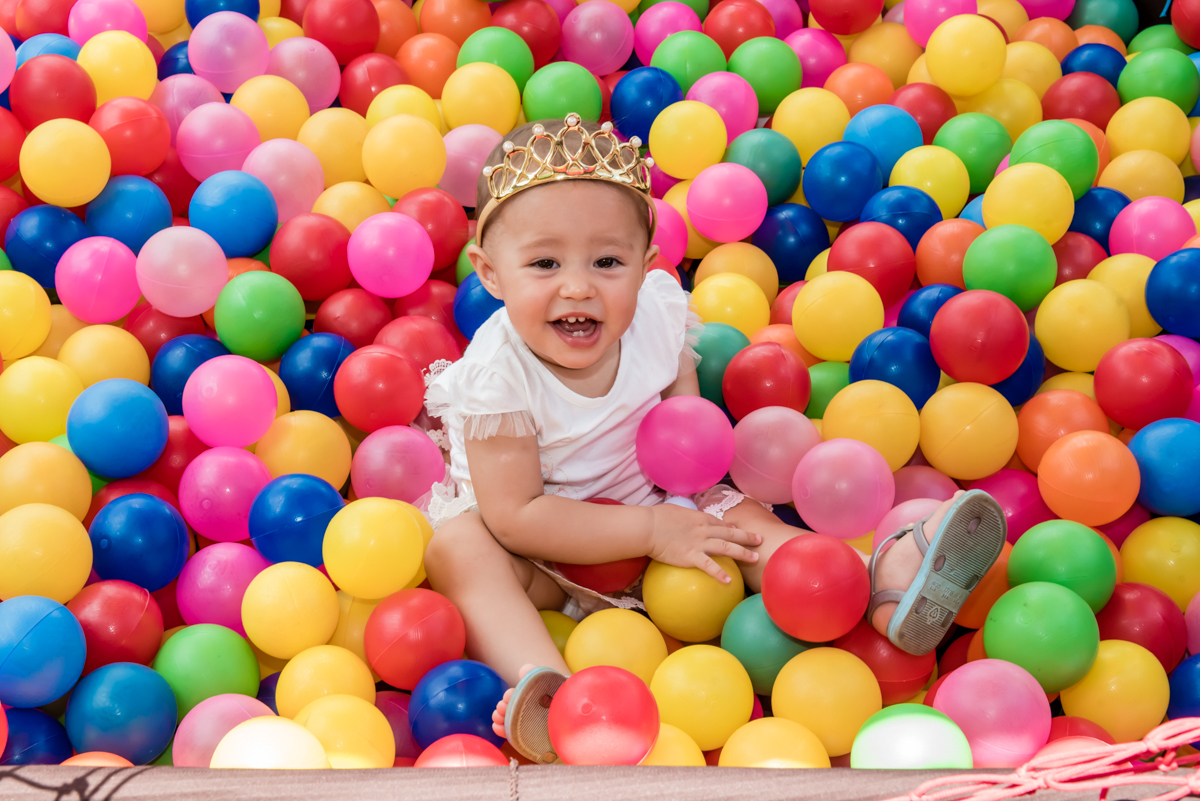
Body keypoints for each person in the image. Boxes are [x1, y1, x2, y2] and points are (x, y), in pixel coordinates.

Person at [420, 114, 1006, 765]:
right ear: (490, 273)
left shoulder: (656, 313)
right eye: (544, 263)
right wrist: (650, 531)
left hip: (662, 508)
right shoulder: (495, 376)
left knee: (740, 518)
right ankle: (551, 690)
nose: (578, 285)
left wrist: (683, 506)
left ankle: (876, 582)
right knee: (458, 546)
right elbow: (517, 515)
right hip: (546, 560)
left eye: (607, 261)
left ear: (646, 266)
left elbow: (687, 435)